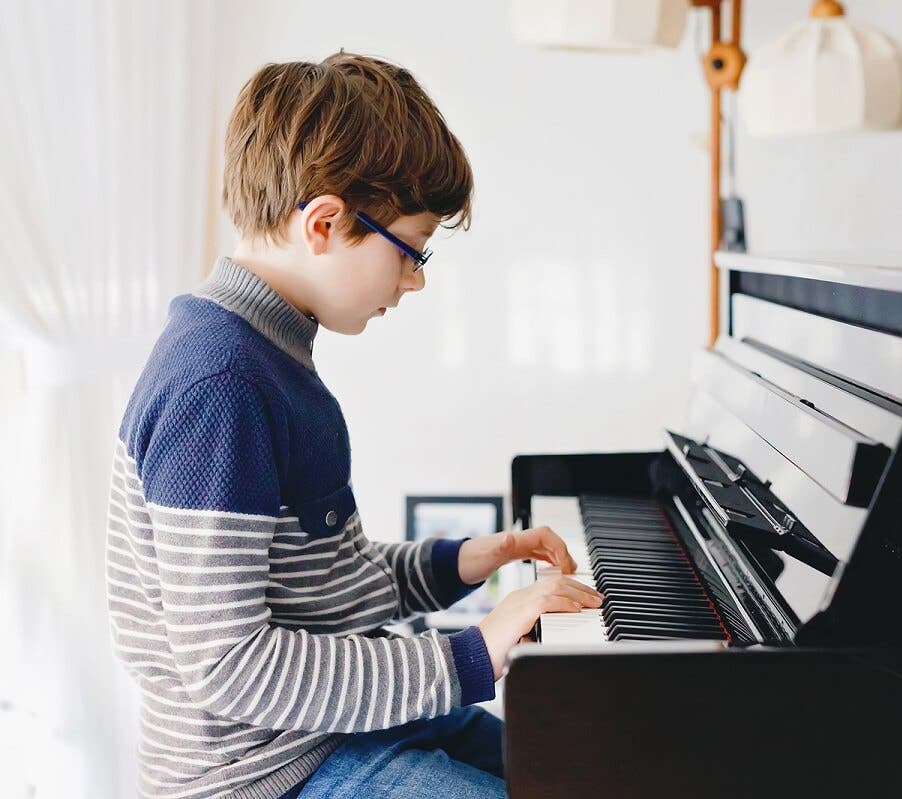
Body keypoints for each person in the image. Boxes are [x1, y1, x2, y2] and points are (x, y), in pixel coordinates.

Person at [105, 51, 602, 799]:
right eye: (410, 251)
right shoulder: (221, 385)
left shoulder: (267, 351)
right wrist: (472, 652)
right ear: (325, 223)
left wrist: (466, 560)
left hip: (335, 726)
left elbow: (323, 586)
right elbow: (230, 666)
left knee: (588, 766)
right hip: (264, 768)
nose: (416, 280)